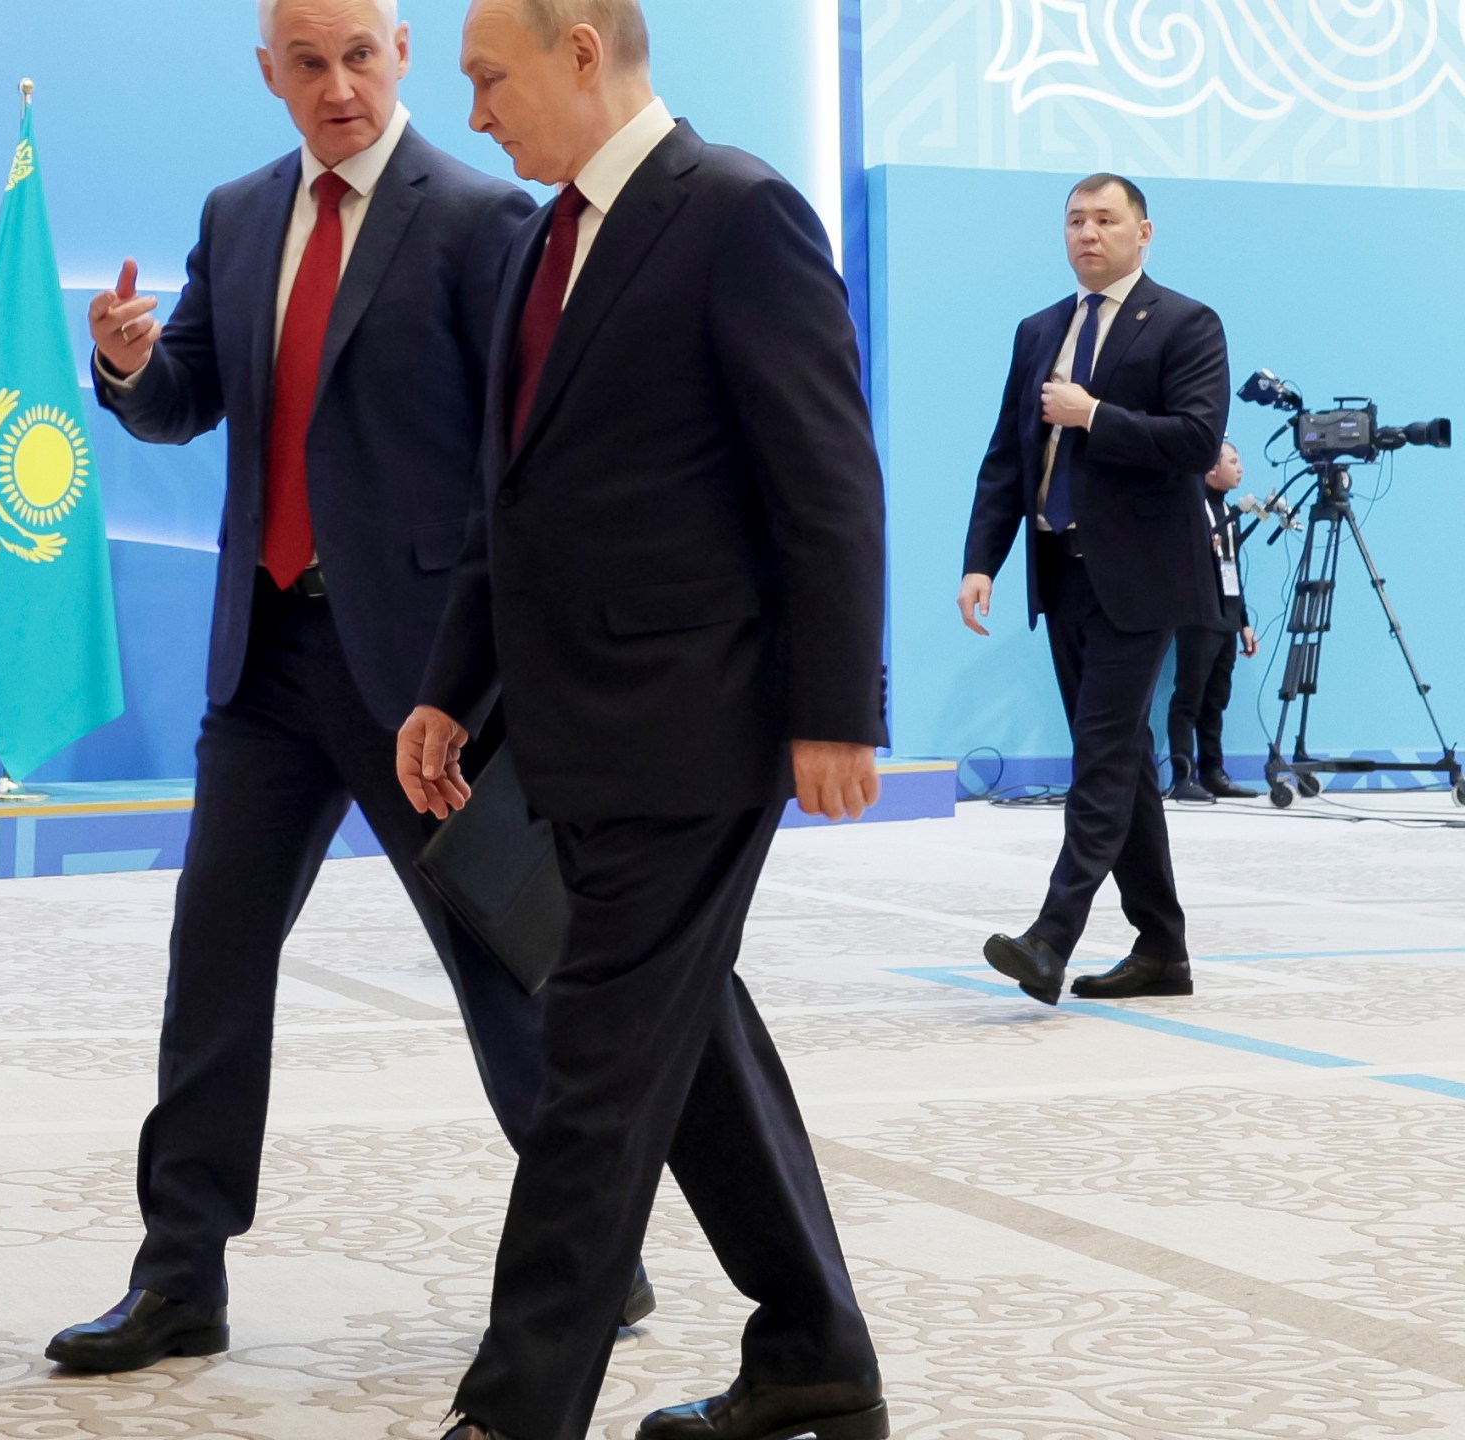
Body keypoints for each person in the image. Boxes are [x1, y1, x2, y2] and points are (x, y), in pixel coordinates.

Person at [46, 0, 662, 1375]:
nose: (338, 87)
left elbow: (527, 452)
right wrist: (131, 368)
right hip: (263, 666)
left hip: (425, 679)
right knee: (213, 964)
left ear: (400, 54)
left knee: (506, 967)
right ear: (267, 72)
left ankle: (596, 1242)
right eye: (308, 63)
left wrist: (505, 665)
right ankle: (180, 1275)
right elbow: (190, 398)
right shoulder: (237, 211)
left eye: (361, 57)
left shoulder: (482, 215)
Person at [401, 4, 890, 1437]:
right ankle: (812, 1349)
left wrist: (834, 706)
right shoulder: (545, 243)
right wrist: (450, 686)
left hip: (695, 723)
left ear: (580, 51)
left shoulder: (735, 212)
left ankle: (515, 1410)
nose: (475, 113)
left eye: (489, 79)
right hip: (574, 728)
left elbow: (828, 476)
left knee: (598, 1075)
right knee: (687, 1045)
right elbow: (515, 506)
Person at [959, 173, 1229, 1005]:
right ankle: (1162, 950)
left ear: (1143, 232)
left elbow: (1195, 440)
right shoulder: (1038, 329)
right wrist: (981, 561)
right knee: (1126, 767)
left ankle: (1051, 938)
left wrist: (1094, 415)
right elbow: (1008, 457)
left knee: (1103, 756)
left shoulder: (1186, 323)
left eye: (1106, 219)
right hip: (1062, 575)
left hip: (1143, 578)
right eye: (1075, 220)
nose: (1087, 233)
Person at [1167, 440, 1258, 801]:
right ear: (1210, 469)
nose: (1241, 468)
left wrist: (1245, 622)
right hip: (1198, 617)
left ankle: (1213, 773)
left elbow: (1231, 569)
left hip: (1228, 620)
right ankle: (1182, 777)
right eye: (1233, 461)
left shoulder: (1229, 515)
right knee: (1188, 697)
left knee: (1216, 700)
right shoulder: (1190, 510)